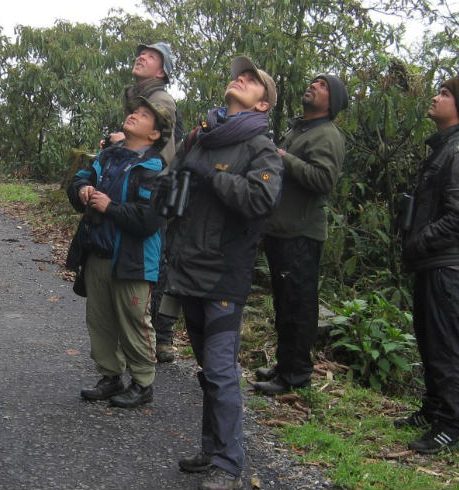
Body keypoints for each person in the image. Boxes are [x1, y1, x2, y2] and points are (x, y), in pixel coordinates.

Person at [162, 56, 283, 490]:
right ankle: (212, 448)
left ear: (263, 104)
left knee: (219, 369)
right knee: (206, 370)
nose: (241, 79)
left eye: (252, 80)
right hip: (186, 267)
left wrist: (211, 178)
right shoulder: (200, 137)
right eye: (239, 75)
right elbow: (172, 185)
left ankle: (229, 463)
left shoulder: (260, 148)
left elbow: (260, 200)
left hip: (223, 275)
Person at [395, 74, 459, 454]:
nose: (436, 97)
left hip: (448, 266)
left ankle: (451, 426)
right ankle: (433, 409)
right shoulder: (445, 148)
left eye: (445, 93)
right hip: (432, 262)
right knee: (429, 338)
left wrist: (418, 242)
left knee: (446, 345)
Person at [66, 97, 171, 409]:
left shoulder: (154, 169)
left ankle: (143, 382)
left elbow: (148, 220)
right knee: (100, 320)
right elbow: (82, 177)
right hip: (98, 252)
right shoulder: (108, 157)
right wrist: (82, 189)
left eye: (144, 115)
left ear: (154, 135)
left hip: (133, 260)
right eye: (134, 111)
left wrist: (109, 207)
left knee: (133, 321)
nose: (135, 115)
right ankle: (111, 376)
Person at [252, 75, 348, 396]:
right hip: (281, 229)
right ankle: (284, 365)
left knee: (298, 305)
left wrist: (284, 158)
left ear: (331, 101)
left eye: (322, 85)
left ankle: (296, 375)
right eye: (313, 81)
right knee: (283, 303)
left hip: (302, 233)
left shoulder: (327, 134)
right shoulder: (300, 129)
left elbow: (323, 180)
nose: (312, 85)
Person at [103, 42, 182, 362]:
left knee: (152, 262)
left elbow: (162, 151)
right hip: (144, 189)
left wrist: (126, 149)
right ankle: (149, 340)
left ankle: (155, 342)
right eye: (141, 53)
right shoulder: (140, 98)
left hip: (150, 191)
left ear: (162, 72)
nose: (141, 57)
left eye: (151, 57)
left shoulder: (161, 100)